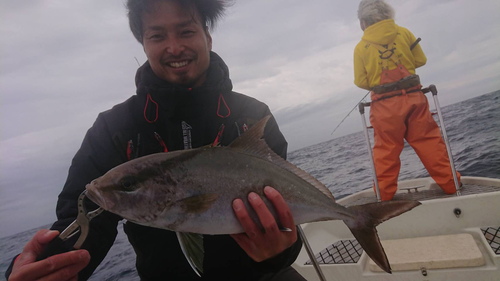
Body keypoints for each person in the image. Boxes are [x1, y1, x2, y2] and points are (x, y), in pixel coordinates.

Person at [6, 1, 306, 280]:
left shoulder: (252, 116)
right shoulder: (114, 129)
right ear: (144, 44)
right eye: (157, 36)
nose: (174, 48)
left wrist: (280, 253)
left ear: (208, 37)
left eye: (186, 31)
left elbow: (287, 207)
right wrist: (50, 264)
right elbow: (85, 217)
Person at [353, 0, 461, 201]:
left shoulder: (361, 47)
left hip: (384, 108)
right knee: (429, 142)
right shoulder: (404, 33)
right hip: (414, 99)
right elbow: (420, 60)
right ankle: (451, 184)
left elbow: (361, 81)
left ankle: (384, 198)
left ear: (364, 22)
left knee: (386, 151)